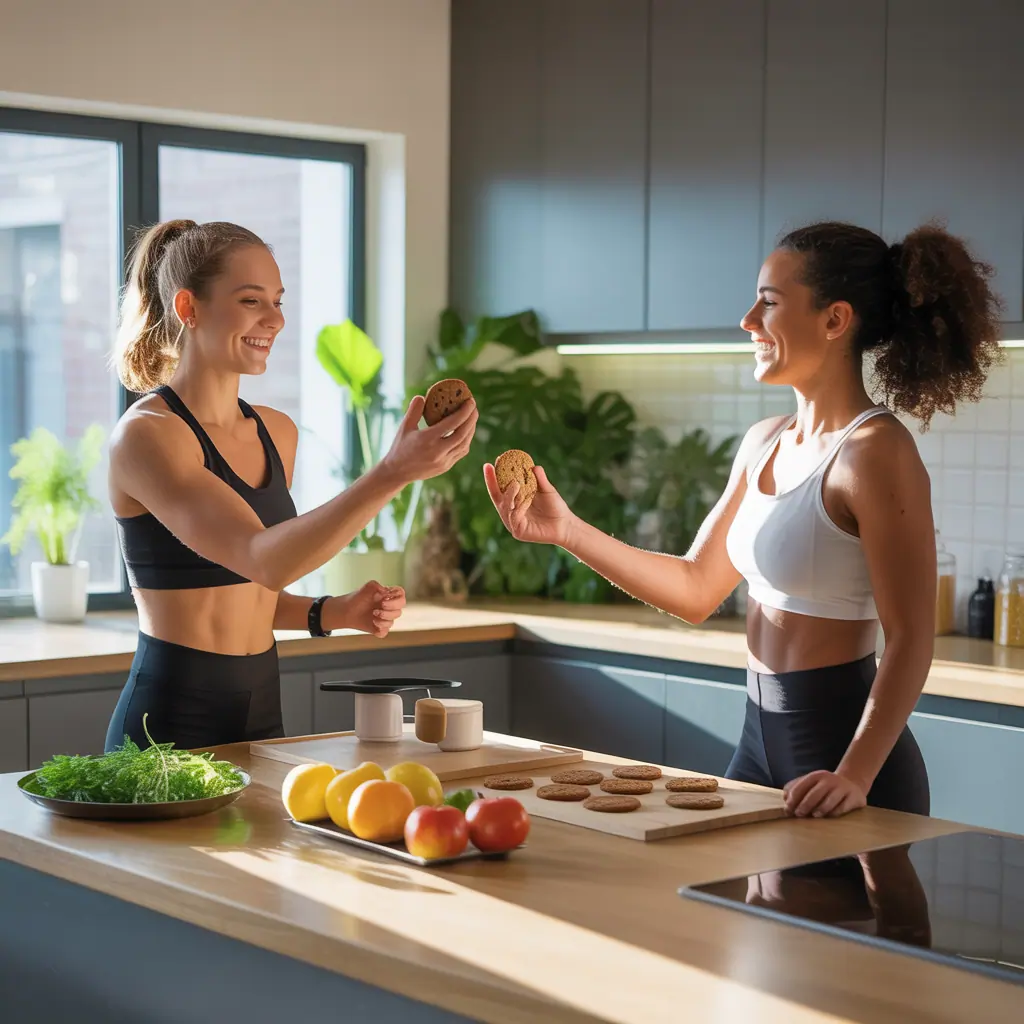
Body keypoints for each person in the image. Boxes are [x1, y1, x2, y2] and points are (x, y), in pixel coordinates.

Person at [485, 221, 1002, 819]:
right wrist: (566, 531)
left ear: (835, 320)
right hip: (756, 740)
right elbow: (696, 589)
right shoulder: (765, 441)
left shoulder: (875, 453)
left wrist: (855, 775)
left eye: (770, 303)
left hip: (840, 757)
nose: (748, 320)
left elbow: (911, 636)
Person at [105, 219, 477, 752]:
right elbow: (263, 557)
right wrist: (393, 471)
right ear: (189, 309)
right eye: (251, 300)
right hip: (169, 717)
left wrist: (334, 612)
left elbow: (250, 591)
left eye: (278, 301)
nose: (274, 319)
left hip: (262, 704)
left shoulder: (275, 432)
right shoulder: (147, 437)